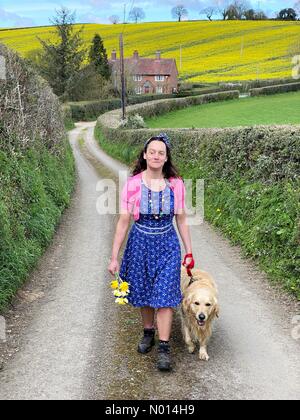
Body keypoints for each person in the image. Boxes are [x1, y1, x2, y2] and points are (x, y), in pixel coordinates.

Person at [108, 132, 194, 372]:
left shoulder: (176, 184)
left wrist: (189, 251)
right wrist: (114, 256)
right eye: (152, 152)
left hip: (167, 245)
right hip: (140, 244)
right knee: (144, 292)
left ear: (166, 158)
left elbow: (182, 220)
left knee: (165, 296)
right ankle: (148, 333)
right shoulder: (133, 184)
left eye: (161, 153)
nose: (156, 156)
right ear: (145, 155)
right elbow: (123, 222)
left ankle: (164, 348)